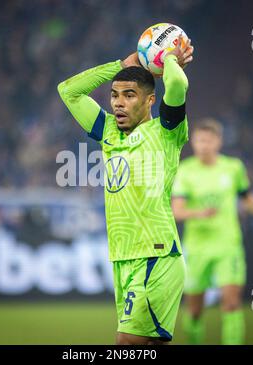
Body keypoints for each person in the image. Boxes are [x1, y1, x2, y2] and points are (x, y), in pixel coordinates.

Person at [58, 36, 194, 345]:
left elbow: (177, 86)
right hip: (124, 259)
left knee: (126, 346)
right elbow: (68, 91)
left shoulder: (167, 132)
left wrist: (167, 59)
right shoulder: (107, 130)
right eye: (114, 95)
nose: (118, 103)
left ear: (149, 101)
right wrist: (121, 66)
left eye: (129, 95)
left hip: (154, 255)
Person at [172, 118, 253, 345]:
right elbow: (177, 211)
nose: (204, 145)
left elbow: (247, 198)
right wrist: (199, 213)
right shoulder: (185, 170)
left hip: (228, 244)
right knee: (194, 310)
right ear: (194, 142)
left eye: (209, 140)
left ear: (218, 142)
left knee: (231, 303)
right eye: (200, 140)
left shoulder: (233, 168)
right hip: (197, 247)